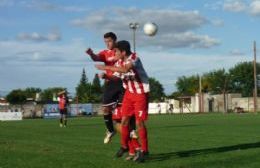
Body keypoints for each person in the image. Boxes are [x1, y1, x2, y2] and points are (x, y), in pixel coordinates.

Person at [96, 40, 150, 162]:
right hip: (129, 94)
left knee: (139, 123)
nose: (115, 54)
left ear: (123, 52)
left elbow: (125, 70)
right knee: (123, 120)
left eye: (116, 52)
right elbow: (115, 76)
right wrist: (106, 76)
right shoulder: (120, 61)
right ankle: (124, 146)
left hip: (140, 94)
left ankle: (145, 150)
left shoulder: (134, 58)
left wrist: (106, 67)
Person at [86, 32, 125, 144]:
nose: (107, 44)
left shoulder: (121, 50)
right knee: (105, 109)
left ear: (115, 40)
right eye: (105, 42)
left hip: (123, 83)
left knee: (123, 115)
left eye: (109, 41)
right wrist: (91, 54)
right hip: (110, 83)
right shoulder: (105, 53)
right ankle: (110, 130)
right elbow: (96, 58)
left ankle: (130, 137)